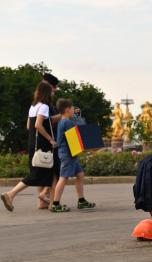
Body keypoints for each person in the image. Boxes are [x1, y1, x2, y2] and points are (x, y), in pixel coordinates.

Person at [1, 82, 57, 212]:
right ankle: (10, 194)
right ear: (47, 93)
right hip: (43, 145)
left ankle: (52, 203)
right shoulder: (44, 107)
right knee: (40, 174)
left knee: (49, 174)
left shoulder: (33, 107)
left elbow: (28, 126)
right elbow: (38, 125)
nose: (52, 94)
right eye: (51, 92)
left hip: (33, 143)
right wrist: (50, 139)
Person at [50, 98, 95, 212]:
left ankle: (81, 200)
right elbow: (74, 139)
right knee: (63, 178)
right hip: (68, 154)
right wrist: (85, 149)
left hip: (68, 154)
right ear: (67, 109)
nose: (73, 110)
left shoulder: (62, 121)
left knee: (80, 175)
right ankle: (55, 204)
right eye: (72, 108)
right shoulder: (68, 122)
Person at [37, 73, 61, 209]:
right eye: (54, 86)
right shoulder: (45, 105)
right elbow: (48, 122)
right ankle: (52, 202)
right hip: (49, 141)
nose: (55, 89)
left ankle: (42, 200)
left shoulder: (36, 103)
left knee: (43, 170)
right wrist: (64, 115)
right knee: (55, 172)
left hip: (39, 141)